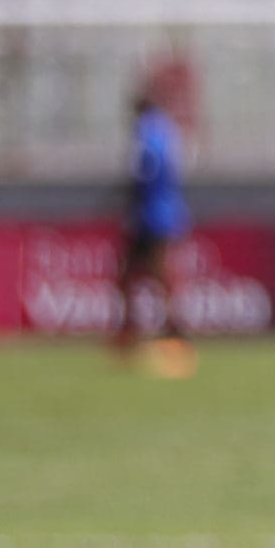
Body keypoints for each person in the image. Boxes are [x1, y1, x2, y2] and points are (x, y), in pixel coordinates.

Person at [115, 77, 195, 377]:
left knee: (138, 276)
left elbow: (143, 174)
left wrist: (129, 204)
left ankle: (144, 332)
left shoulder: (146, 131)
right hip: (167, 211)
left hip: (151, 214)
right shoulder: (167, 128)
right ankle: (156, 330)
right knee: (151, 276)